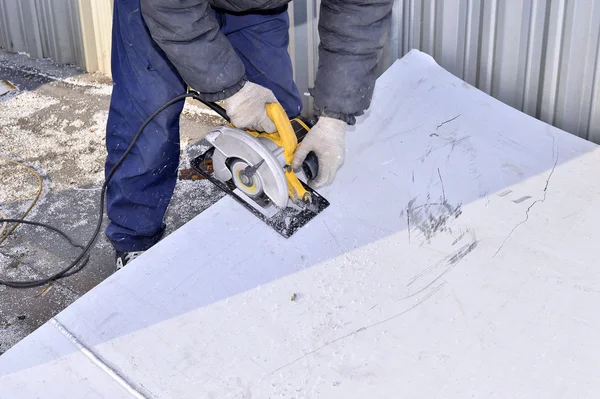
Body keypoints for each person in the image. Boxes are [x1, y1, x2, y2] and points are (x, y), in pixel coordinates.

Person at [105, 0, 393, 270]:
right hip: (165, 6)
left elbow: (360, 13)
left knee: (276, 117)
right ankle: (135, 239)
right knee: (149, 118)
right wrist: (233, 91)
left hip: (255, 7)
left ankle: (255, 213)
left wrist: (335, 117)